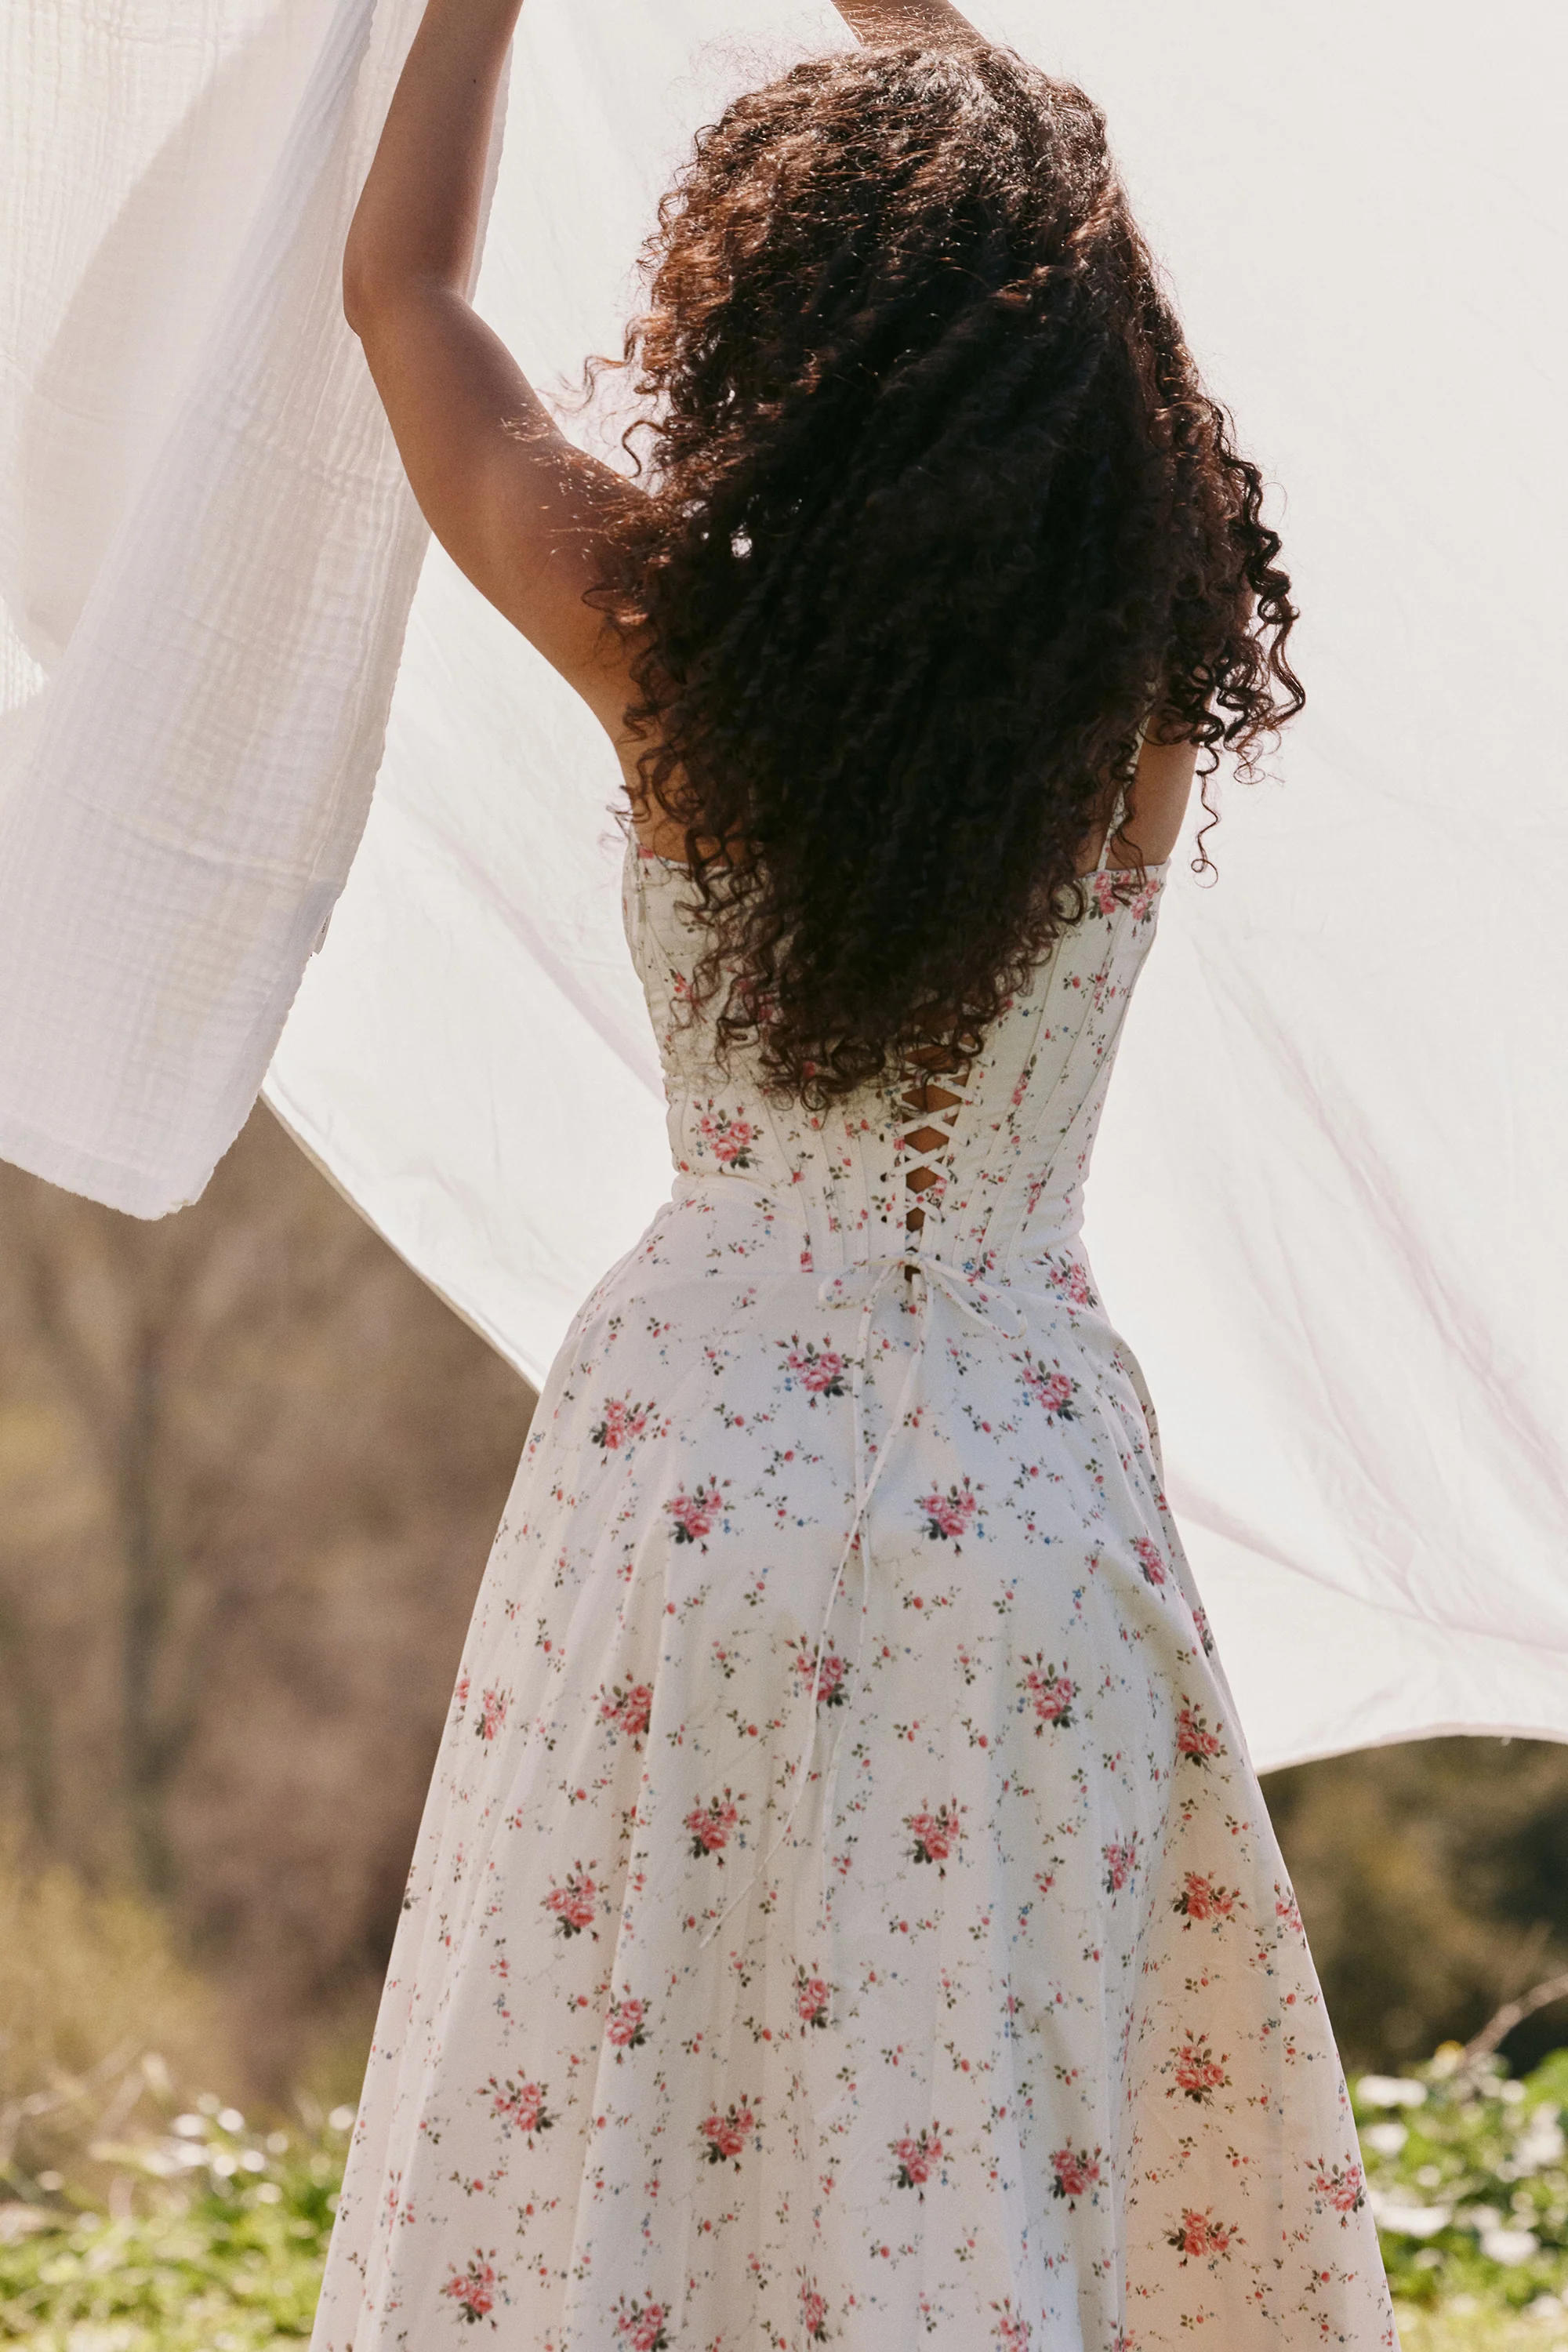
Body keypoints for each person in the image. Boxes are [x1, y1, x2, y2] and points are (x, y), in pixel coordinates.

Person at [318, 2, 1395, 2345]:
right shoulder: (1133, 712)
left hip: (694, 1469)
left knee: (646, 2140)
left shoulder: (670, 645)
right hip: (1026, 1484)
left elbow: (404, 301)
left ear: (774, 330)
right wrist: (950, 55)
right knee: (988, 2152)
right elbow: (1140, 401)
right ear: (1080, 381)